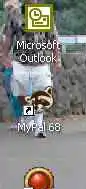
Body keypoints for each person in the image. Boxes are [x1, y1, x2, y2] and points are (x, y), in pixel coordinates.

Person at [2, 0, 60, 138]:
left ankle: (39, 126)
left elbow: (53, 38)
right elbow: (8, 37)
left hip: (40, 62)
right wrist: (4, 56)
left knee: (42, 91)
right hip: (20, 62)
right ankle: (28, 117)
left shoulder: (44, 13)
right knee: (21, 93)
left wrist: (57, 59)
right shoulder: (15, 14)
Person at [1, 0, 23, 131]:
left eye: (12, 7)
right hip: (9, 63)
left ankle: (26, 119)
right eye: (8, 8)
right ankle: (19, 119)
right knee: (11, 92)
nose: (10, 11)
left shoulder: (22, 23)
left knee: (21, 92)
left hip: (20, 62)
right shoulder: (5, 26)